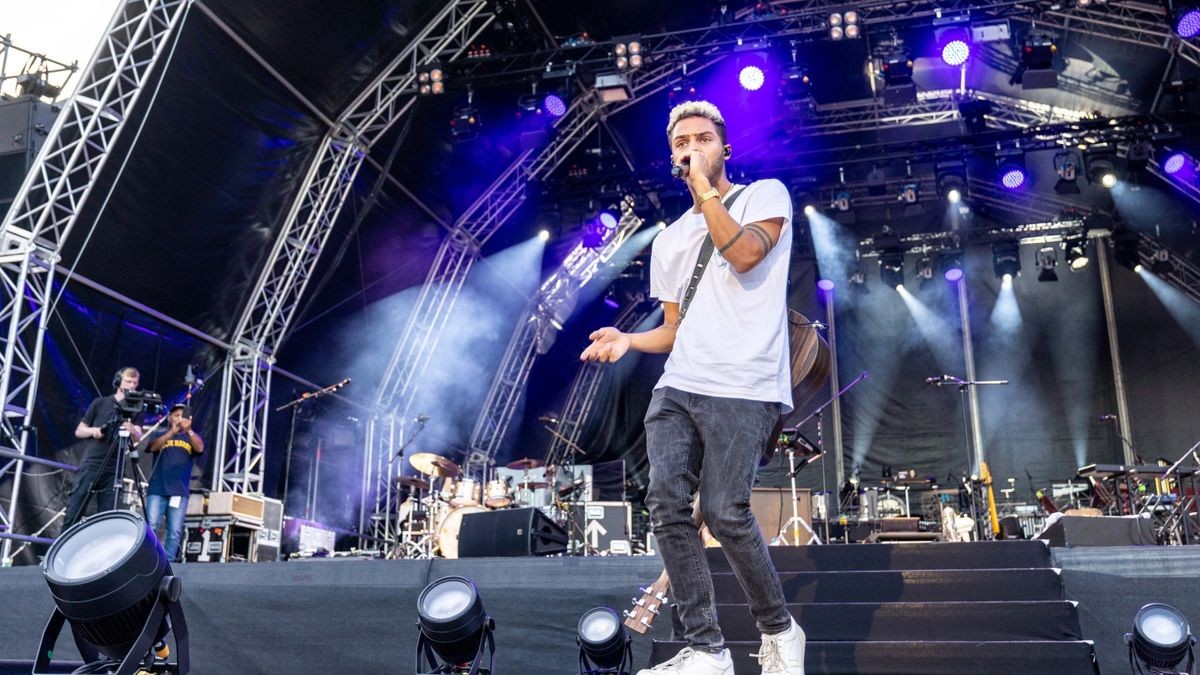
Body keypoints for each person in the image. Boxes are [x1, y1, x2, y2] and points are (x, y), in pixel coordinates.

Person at [581, 101, 804, 675]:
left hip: (745, 381)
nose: (691, 147)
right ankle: (705, 647)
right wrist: (630, 341)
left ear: (723, 148)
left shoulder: (765, 196)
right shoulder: (669, 240)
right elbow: (675, 329)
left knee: (726, 513)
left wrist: (707, 191)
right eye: (682, 142)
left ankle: (779, 629)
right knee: (665, 506)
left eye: (703, 138)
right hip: (680, 382)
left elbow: (748, 256)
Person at [64, 367, 145, 528]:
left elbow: (138, 435)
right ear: (118, 382)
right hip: (93, 461)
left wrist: (132, 429)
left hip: (115, 466)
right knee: (76, 506)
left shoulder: (136, 407)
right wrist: (95, 431)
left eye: (134, 383)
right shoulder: (100, 403)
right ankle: (60, 548)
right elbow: (79, 431)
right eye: (128, 381)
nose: (132, 385)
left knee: (107, 514)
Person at [145, 403, 204, 560]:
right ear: (170, 417)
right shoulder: (160, 433)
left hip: (179, 491)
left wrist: (189, 430)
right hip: (157, 488)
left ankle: (169, 562)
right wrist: (172, 432)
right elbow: (152, 447)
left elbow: (199, 448)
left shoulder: (190, 437)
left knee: (175, 531)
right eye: (176, 415)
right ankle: (148, 559)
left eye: (182, 416)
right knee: (151, 526)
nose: (179, 418)